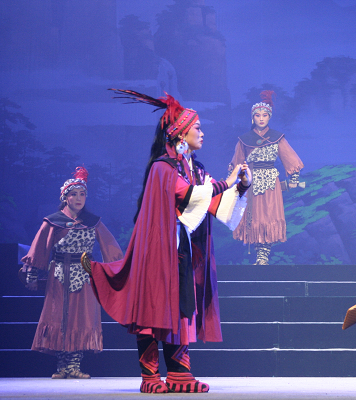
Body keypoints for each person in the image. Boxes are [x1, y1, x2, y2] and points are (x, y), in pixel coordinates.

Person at [82, 89, 251, 393]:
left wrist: (240, 187)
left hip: (182, 251)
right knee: (152, 309)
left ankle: (179, 374)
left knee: (180, 308)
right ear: (181, 134)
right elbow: (187, 195)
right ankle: (150, 376)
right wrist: (227, 181)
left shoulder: (196, 169)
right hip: (158, 250)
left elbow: (212, 204)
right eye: (197, 127)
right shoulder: (163, 167)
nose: (203, 132)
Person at [21, 166, 123, 379]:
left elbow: (110, 248)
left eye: (82, 194)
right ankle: (62, 367)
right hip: (58, 274)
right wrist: (31, 273)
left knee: (81, 318)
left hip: (85, 275)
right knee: (59, 317)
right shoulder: (53, 221)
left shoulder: (93, 222)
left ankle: (74, 366)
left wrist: (116, 273)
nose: (79, 198)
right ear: (65, 197)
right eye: (74, 194)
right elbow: (38, 249)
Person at [229, 90, 304, 264]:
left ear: (269, 117)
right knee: (254, 216)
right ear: (252, 118)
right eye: (257, 115)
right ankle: (259, 253)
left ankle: (264, 254)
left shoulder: (277, 138)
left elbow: (290, 157)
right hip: (250, 181)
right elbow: (237, 163)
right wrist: (233, 181)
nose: (261, 118)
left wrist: (294, 177)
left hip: (270, 182)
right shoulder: (244, 139)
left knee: (268, 216)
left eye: (264, 115)